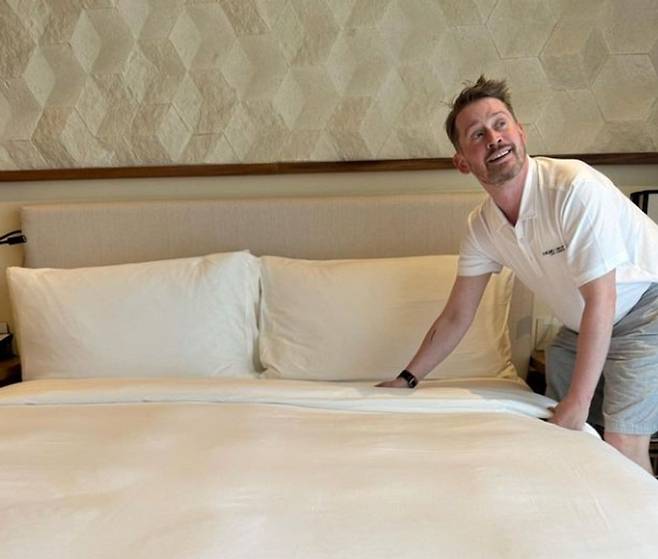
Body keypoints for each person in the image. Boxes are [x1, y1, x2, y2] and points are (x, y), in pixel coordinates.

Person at [377, 76, 658, 474]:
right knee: (572, 443)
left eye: (500, 124)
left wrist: (577, 403)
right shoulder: (483, 228)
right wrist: (407, 380)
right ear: (462, 162)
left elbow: (603, 297)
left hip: (647, 311)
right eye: (477, 134)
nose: (494, 138)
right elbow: (457, 315)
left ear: (521, 133)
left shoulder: (572, 189)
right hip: (582, 328)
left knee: (622, 443)